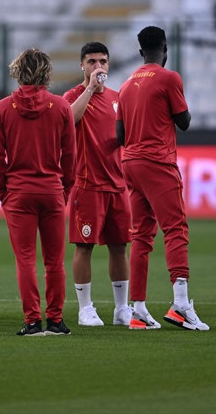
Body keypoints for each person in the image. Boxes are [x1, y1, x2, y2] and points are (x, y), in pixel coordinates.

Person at [116, 26, 210, 331]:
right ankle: (180, 305)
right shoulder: (170, 78)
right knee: (175, 229)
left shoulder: (127, 83)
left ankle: (138, 310)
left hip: (130, 163)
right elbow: (184, 122)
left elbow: (119, 135)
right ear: (165, 49)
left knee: (141, 237)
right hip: (157, 161)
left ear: (141, 51)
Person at [0, 48, 75, 336]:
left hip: (18, 192)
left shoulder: (3, 108)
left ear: (18, 71)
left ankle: (31, 321)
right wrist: (64, 190)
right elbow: (70, 157)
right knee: (55, 261)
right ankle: (55, 320)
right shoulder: (61, 107)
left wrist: (3, 191)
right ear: (46, 72)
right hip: (52, 190)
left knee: (25, 259)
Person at [63, 42, 133, 327]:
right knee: (84, 246)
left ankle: (121, 308)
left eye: (102, 61)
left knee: (120, 246)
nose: (98, 67)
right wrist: (90, 89)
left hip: (118, 185)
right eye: (91, 62)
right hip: (87, 185)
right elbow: (68, 121)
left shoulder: (119, 98)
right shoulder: (74, 95)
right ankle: (85, 308)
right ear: (82, 65)